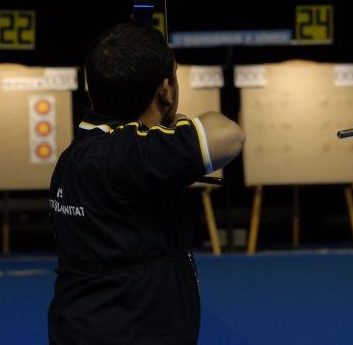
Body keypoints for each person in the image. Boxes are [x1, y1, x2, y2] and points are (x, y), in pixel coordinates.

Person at [48, 22, 245, 344]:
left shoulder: (83, 150)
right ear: (165, 91)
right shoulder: (129, 153)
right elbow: (229, 135)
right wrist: (171, 121)